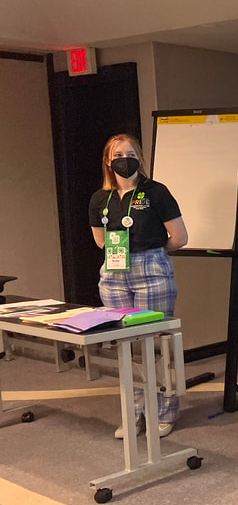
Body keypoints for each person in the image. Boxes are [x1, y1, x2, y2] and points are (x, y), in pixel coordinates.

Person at [89, 134, 189, 439]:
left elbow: (180, 237)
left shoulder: (156, 192)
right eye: (118, 154)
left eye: (130, 153)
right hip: (115, 273)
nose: (124, 158)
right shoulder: (99, 199)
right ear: (108, 161)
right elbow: (100, 241)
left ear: (139, 158)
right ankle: (135, 413)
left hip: (151, 270)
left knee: (156, 343)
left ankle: (163, 412)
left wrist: (152, 251)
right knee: (126, 347)